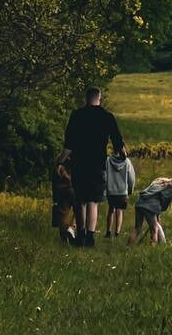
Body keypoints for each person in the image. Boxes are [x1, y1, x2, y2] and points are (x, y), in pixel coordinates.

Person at [62, 86, 125, 250]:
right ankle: (90, 237)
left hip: (79, 163)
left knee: (80, 200)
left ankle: (81, 235)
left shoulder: (76, 115)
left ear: (86, 98)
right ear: (100, 98)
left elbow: (68, 146)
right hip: (98, 164)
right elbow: (118, 143)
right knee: (93, 201)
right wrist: (122, 157)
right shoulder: (107, 116)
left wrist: (60, 162)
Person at [128, 176, 172, 246]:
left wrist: (157, 215)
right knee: (154, 229)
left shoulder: (163, 183)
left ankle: (128, 246)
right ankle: (152, 248)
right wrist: (158, 215)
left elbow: (156, 198)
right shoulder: (171, 190)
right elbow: (163, 204)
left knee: (137, 228)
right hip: (149, 206)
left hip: (140, 203)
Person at [103, 148, 136, 240]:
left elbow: (104, 175)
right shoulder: (127, 162)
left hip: (111, 190)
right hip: (122, 191)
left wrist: (105, 188)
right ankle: (117, 232)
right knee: (119, 210)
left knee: (111, 210)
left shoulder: (108, 160)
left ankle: (108, 232)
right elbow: (131, 178)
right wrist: (130, 190)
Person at [50, 152, 75, 245]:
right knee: (80, 210)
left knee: (63, 213)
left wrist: (55, 197)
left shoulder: (58, 159)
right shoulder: (78, 157)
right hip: (74, 189)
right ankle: (72, 228)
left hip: (61, 190)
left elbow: (54, 179)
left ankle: (64, 239)